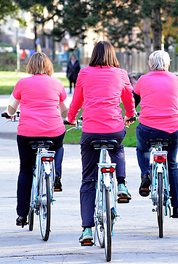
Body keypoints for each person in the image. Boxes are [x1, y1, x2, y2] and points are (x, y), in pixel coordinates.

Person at [67, 41, 136, 245]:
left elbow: (77, 101)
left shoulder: (84, 73)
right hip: (114, 128)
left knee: (88, 180)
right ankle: (121, 184)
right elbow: (129, 99)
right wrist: (130, 115)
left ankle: (87, 230)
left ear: (93, 55)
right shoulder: (121, 74)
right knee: (118, 145)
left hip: (90, 131)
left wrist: (71, 118)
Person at [1, 52, 67, 227]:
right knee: (59, 147)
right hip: (53, 131)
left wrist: (8, 114)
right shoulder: (57, 83)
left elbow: (12, 107)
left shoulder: (22, 83)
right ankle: (57, 174)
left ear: (30, 66)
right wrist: (67, 118)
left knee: (25, 171)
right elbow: (64, 110)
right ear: (49, 66)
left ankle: (22, 214)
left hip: (28, 133)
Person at [133, 50, 178, 218]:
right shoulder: (176, 80)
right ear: (168, 64)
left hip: (147, 128)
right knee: (172, 164)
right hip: (171, 129)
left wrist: (131, 114)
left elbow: (133, 101)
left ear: (151, 65)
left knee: (142, 150)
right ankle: (177, 207)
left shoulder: (143, 80)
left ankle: (145, 174)